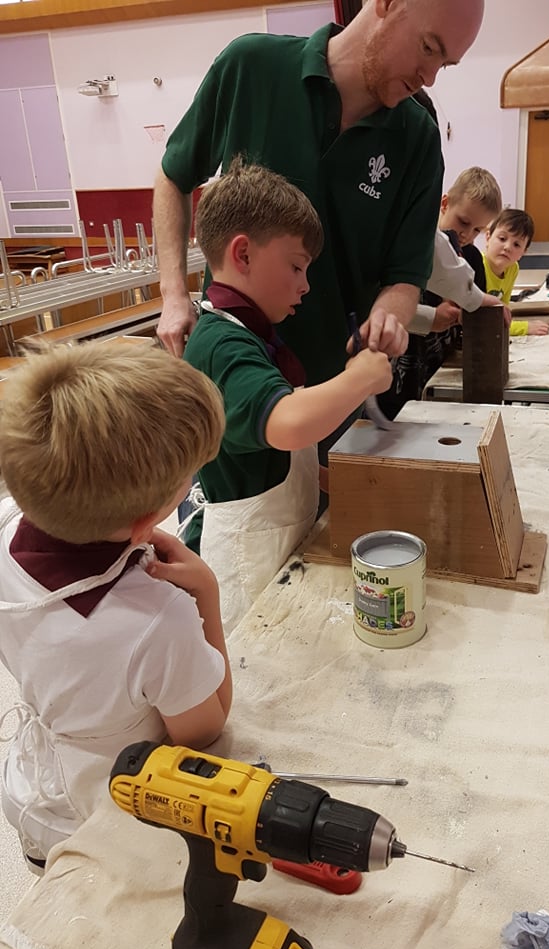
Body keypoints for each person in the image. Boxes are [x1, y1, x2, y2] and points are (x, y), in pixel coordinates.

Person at [154, 0, 486, 396]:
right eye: (429, 48)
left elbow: (406, 275)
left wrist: (387, 319)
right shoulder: (251, 67)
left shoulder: (419, 140)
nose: (429, 77)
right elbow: (173, 177)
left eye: (445, 64)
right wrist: (173, 295)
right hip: (229, 372)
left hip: (333, 394)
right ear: (386, 4)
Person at [0, 342, 232, 871]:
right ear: (146, 519)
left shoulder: (6, 520)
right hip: (105, 807)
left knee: (54, 900)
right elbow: (203, 730)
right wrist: (206, 594)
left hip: (27, 789)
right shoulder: (157, 619)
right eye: (189, 476)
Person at [181, 159, 392, 628]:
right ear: (243, 255)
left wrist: (319, 477)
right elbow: (288, 423)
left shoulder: (252, 332)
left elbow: (255, 453)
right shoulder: (221, 342)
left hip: (277, 544)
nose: (305, 285)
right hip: (245, 564)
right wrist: (363, 376)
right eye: (296, 266)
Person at [379, 166, 505, 417]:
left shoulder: (470, 257)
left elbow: (473, 306)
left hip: (439, 368)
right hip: (400, 368)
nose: (467, 234)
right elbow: (384, 304)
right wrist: (431, 317)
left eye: (477, 230)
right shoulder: (413, 246)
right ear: (444, 203)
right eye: (464, 222)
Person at [480, 208, 549, 338]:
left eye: (517, 245)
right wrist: (524, 327)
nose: (507, 247)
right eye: (502, 238)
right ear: (488, 237)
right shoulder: (477, 266)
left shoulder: (512, 269)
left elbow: (503, 313)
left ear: (524, 252)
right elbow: (483, 322)